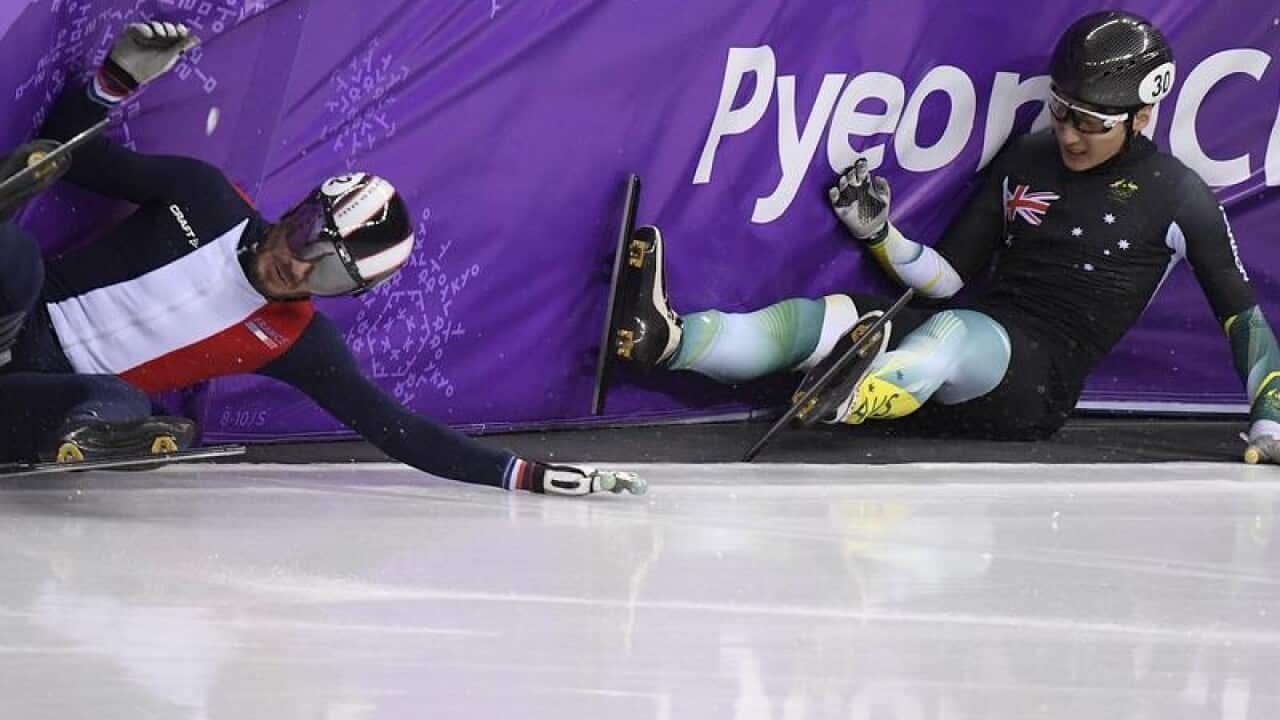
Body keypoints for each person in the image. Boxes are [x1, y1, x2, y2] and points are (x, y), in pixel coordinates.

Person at [0, 21, 644, 496]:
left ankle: (71, 436)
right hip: (21, 310)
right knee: (19, 254)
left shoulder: (296, 340)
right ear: (298, 208)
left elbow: (397, 429)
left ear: (342, 292)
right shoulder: (204, 196)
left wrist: (527, 474)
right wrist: (115, 80)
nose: (300, 265)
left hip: (48, 390)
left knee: (120, 404)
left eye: (329, 270)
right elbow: (67, 157)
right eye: (309, 233)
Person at [611, 10, 1280, 462]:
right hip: (964, 339)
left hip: (1036, 386)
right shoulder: (1031, 154)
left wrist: (1271, 418)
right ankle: (670, 341)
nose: (1071, 133)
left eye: (1093, 122)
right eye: (1063, 111)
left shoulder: (1179, 193)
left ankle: (862, 390)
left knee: (952, 335)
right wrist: (881, 235)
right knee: (825, 318)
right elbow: (949, 277)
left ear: (1143, 116)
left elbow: (1241, 316)